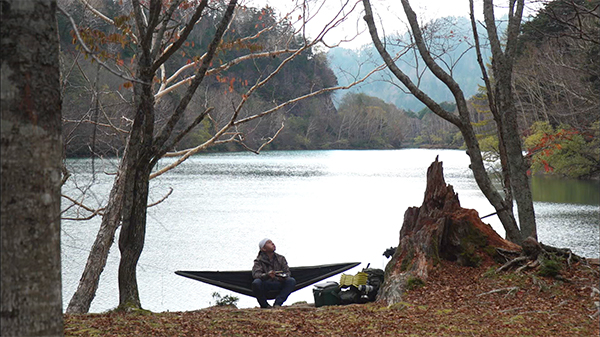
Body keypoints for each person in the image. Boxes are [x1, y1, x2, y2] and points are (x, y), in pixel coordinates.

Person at [251, 238, 296, 308]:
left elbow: (287, 272)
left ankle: (277, 304)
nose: (272, 244)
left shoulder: (281, 258)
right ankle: (265, 305)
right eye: (269, 243)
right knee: (256, 283)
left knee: (291, 281)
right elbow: (256, 275)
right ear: (263, 249)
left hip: (278, 283)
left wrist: (282, 277)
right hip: (266, 284)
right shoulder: (258, 261)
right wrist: (267, 275)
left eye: (272, 242)